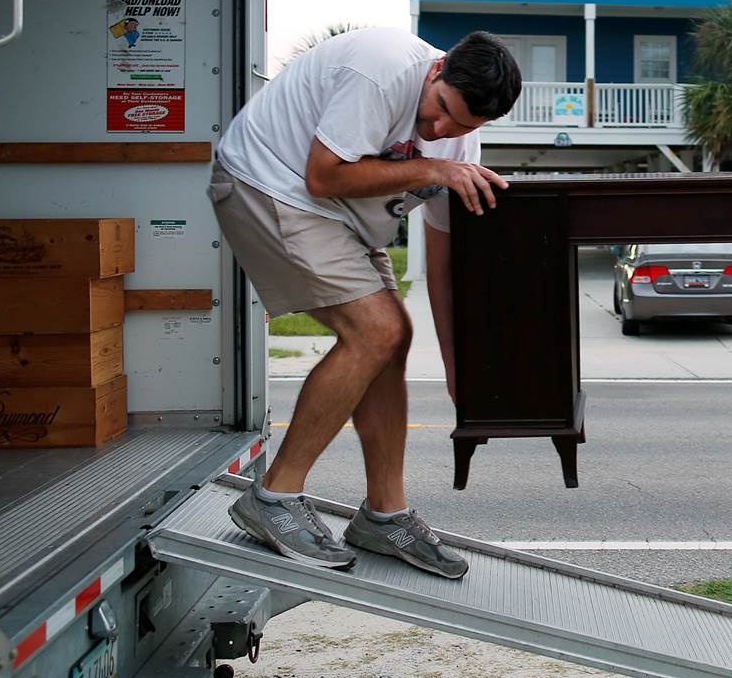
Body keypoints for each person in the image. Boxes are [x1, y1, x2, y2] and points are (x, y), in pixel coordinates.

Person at [208, 28, 521, 576]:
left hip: (340, 219)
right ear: (437, 69)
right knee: (373, 332)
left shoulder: (459, 145)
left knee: (393, 337)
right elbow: (323, 175)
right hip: (268, 183)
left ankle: (384, 514)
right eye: (442, 109)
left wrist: (456, 368)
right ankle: (273, 497)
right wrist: (430, 169)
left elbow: (444, 264)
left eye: (463, 127)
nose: (441, 130)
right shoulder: (380, 68)